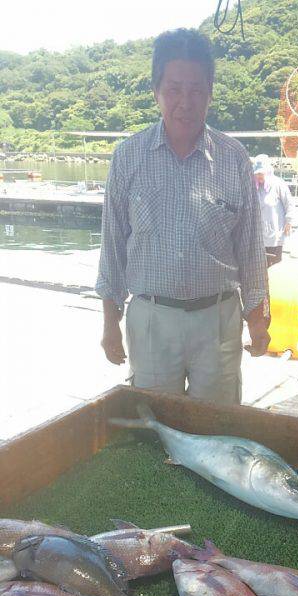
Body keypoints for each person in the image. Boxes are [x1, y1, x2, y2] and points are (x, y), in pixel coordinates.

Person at [95, 28, 270, 405]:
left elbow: (252, 250)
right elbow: (112, 247)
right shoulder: (128, 157)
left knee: (219, 427)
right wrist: (111, 322)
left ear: (210, 93)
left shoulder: (234, 157)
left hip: (219, 320)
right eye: (174, 89)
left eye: (196, 90)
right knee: (157, 429)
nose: (185, 102)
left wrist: (258, 321)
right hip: (153, 318)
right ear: (156, 91)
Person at [253, 154, 295, 267]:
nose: (259, 176)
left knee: (274, 265)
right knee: (260, 267)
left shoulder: (278, 184)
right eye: (257, 174)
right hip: (258, 235)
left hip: (275, 234)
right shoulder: (253, 187)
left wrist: (289, 221)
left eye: (261, 173)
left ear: (267, 171)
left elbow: (289, 203)